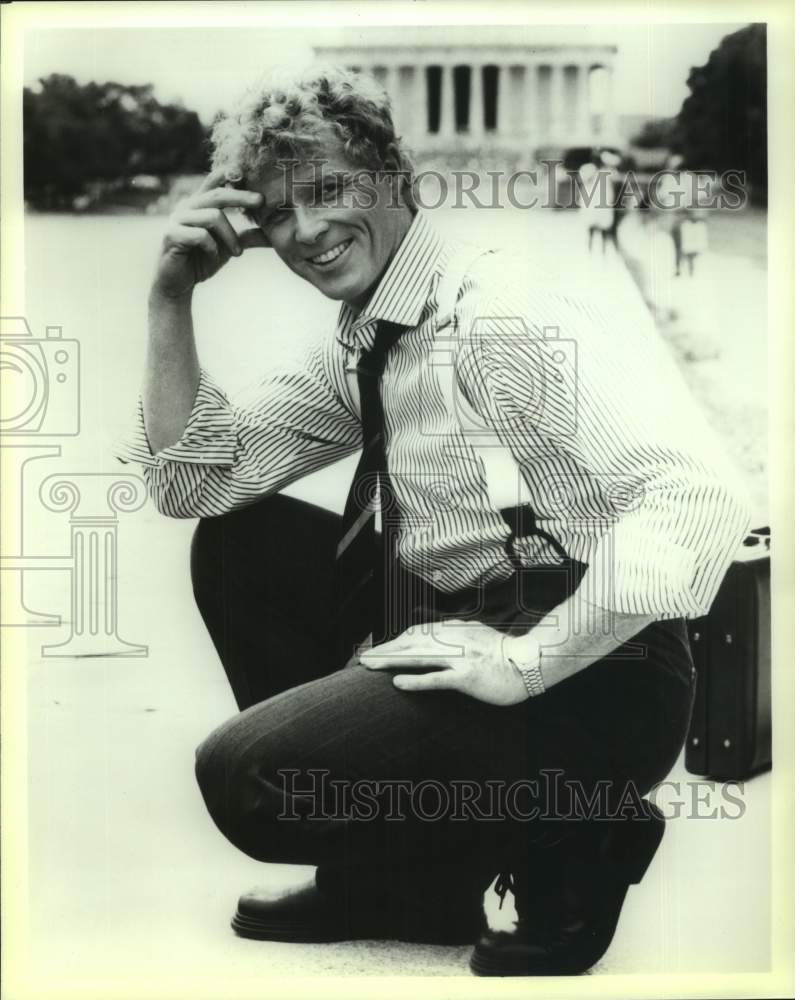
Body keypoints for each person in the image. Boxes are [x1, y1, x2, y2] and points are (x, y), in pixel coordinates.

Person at [116, 65, 750, 976]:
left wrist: (526, 661)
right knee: (241, 544)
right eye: (275, 215)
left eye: (329, 191)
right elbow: (195, 486)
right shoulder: (372, 335)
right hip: (463, 624)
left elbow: (697, 496)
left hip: (603, 666)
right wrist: (169, 297)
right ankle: (396, 883)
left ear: (394, 177)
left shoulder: (497, 312)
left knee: (247, 779)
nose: (307, 233)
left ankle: (577, 826)